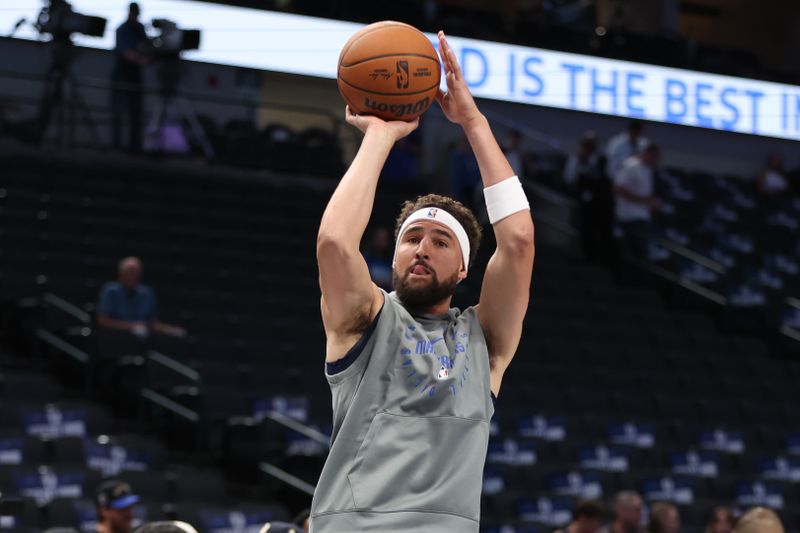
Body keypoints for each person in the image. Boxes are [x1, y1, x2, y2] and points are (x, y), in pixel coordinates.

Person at [309, 31, 534, 533]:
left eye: (440, 241)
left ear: (462, 270)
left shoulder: (486, 343)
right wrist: (380, 136)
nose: (423, 248)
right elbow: (333, 244)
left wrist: (472, 121)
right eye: (412, 237)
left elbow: (517, 241)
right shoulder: (364, 319)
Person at [96, 257, 185, 338]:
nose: (132, 277)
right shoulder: (110, 291)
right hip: (115, 338)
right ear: (121, 274)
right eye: (129, 273)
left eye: (135, 273)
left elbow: (151, 323)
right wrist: (132, 327)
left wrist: (170, 329)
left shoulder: (146, 293)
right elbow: (103, 321)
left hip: (143, 340)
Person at [563, 131, 614, 265]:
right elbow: (569, 178)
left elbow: (606, 179)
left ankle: (596, 257)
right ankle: (581, 255)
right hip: (581, 201)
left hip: (598, 203)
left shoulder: (600, 161)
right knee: (581, 228)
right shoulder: (576, 158)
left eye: (592, 145)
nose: (590, 148)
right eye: (588, 145)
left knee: (598, 231)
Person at [111, 2, 149, 153]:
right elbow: (125, 52)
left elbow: (146, 48)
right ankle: (117, 147)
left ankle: (135, 148)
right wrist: (142, 60)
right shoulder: (122, 29)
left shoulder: (140, 29)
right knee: (118, 112)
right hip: (121, 75)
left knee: (136, 114)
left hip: (135, 77)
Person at [614, 143, 662, 260]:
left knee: (641, 255)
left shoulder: (648, 169)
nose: (658, 160)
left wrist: (651, 203)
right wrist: (645, 201)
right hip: (629, 217)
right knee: (633, 255)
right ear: (649, 154)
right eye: (656, 156)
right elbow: (620, 188)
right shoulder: (631, 166)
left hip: (642, 215)